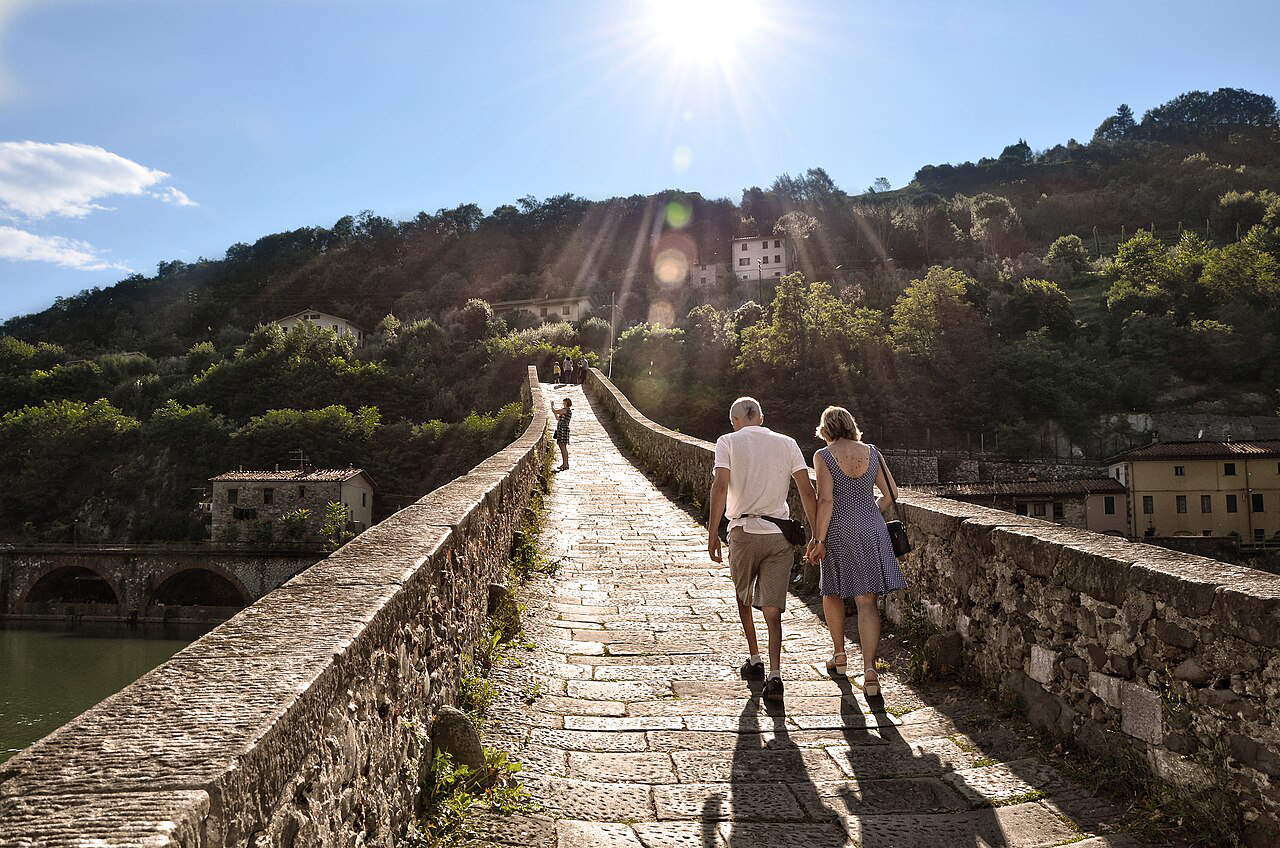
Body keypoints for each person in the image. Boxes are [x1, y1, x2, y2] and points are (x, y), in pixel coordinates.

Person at [708, 397, 817, 701]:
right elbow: (807, 491)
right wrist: (816, 536)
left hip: (742, 532)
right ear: (761, 417)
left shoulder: (727, 441)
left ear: (735, 420)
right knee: (773, 609)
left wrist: (712, 533)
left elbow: (719, 486)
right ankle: (776, 674)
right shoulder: (787, 443)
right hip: (778, 535)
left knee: (744, 598)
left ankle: (754, 659)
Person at [805, 405, 908, 698]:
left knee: (833, 591)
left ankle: (839, 655)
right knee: (867, 602)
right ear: (851, 425)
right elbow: (892, 494)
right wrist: (869, 513)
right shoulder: (871, 451)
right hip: (872, 528)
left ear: (825, 430)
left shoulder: (824, 456)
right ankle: (871, 672)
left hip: (839, 529)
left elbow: (825, 500)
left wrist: (818, 539)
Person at [551, 398, 572, 471]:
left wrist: (552, 405)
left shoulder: (566, 410)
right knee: (561, 446)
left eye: (564, 403)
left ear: (566, 403)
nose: (563, 404)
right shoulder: (564, 411)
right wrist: (554, 412)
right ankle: (564, 463)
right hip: (560, 430)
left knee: (563, 447)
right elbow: (557, 418)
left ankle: (566, 464)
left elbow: (555, 411)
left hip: (563, 430)